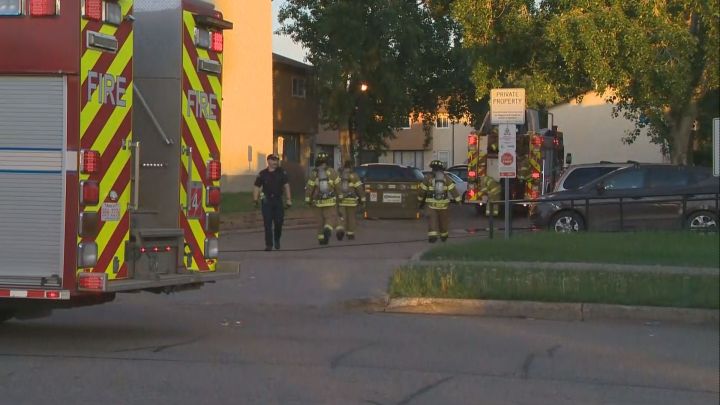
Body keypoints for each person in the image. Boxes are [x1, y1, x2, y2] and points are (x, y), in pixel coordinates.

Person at [253, 154, 291, 251]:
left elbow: (286, 186)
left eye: (277, 160)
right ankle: (269, 245)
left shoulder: (281, 172)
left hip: (278, 200)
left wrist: (288, 199)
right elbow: (257, 187)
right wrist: (255, 200)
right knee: (267, 223)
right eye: (273, 160)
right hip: (266, 201)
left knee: (279, 222)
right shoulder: (262, 174)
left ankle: (277, 239)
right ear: (268, 161)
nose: (275, 162)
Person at [417, 160, 461, 243]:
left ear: (432, 168)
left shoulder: (428, 178)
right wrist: (458, 201)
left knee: (432, 220)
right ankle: (444, 236)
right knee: (443, 221)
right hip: (444, 205)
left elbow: (422, 191)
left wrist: (419, 201)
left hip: (431, 205)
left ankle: (432, 237)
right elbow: (453, 190)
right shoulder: (446, 178)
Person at [305, 152, 340, 245]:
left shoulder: (314, 173)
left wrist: (308, 199)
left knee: (320, 221)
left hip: (318, 202)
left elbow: (309, 188)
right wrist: (340, 196)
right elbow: (338, 186)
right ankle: (327, 229)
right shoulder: (332, 172)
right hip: (330, 201)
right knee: (330, 218)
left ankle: (321, 239)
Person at [336, 160, 365, 241]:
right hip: (351, 201)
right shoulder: (354, 175)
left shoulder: (339, 174)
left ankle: (340, 230)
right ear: (351, 166)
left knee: (342, 217)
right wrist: (362, 199)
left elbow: (335, 187)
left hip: (342, 200)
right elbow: (359, 188)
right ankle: (350, 234)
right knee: (351, 218)